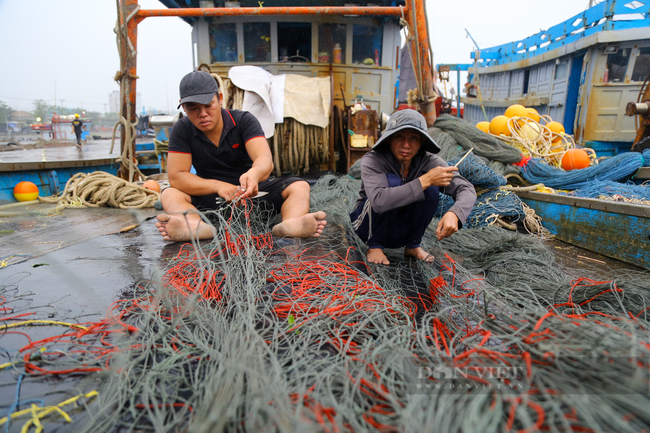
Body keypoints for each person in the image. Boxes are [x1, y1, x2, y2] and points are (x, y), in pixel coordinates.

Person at [155, 70, 327, 242]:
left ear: (220, 98)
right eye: (193, 108)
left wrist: (253, 175)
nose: (202, 114)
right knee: (169, 194)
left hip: (253, 194)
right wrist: (218, 186)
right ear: (183, 107)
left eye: (208, 105)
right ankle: (194, 225)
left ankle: (291, 223)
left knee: (299, 186)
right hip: (210, 197)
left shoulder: (244, 120)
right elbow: (177, 177)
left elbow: (264, 159)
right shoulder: (182, 129)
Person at [350, 109, 476, 265]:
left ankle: (413, 245)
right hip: (366, 225)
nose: (406, 145)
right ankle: (374, 245)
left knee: (431, 189)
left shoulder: (429, 161)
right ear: (389, 139)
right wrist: (425, 180)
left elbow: (466, 189)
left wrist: (455, 214)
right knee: (395, 182)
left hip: (399, 226)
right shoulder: (373, 160)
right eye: (399, 137)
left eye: (414, 138)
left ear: (422, 141)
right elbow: (379, 202)